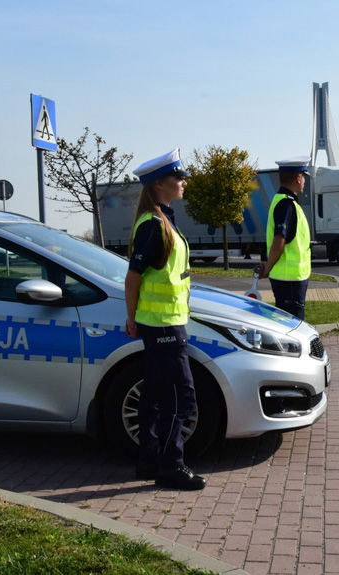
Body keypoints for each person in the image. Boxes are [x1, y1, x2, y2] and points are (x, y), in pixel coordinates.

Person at [124, 148, 206, 491]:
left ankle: (149, 460)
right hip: (163, 326)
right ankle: (171, 465)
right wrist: (132, 317)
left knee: (156, 394)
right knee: (180, 398)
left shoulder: (164, 219)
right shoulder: (155, 225)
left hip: (164, 322)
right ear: (160, 184)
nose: (183, 181)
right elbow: (133, 277)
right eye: (178, 177)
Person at [258, 157, 312, 319]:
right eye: (304, 177)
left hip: (288, 278)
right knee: (292, 328)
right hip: (290, 280)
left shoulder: (283, 202)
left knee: (287, 324)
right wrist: (267, 268)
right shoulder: (286, 205)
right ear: (298, 178)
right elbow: (278, 242)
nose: (304, 182)